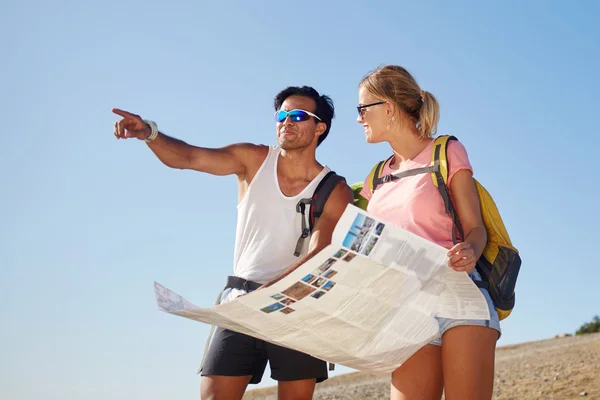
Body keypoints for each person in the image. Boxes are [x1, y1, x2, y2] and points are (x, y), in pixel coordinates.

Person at [112, 86, 354, 400]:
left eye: (297, 116)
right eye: (281, 115)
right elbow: (188, 157)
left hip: (298, 308)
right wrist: (148, 133)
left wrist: (275, 290)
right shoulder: (252, 159)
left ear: (319, 127)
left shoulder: (335, 188)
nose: (286, 122)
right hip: (241, 303)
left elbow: (321, 253)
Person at [356, 65, 501, 400]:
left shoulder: (446, 151)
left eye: (363, 108)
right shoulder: (375, 177)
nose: (359, 118)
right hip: (405, 307)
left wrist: (471, 250)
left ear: (388, 108)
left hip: (459, 299)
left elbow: (476, 228)